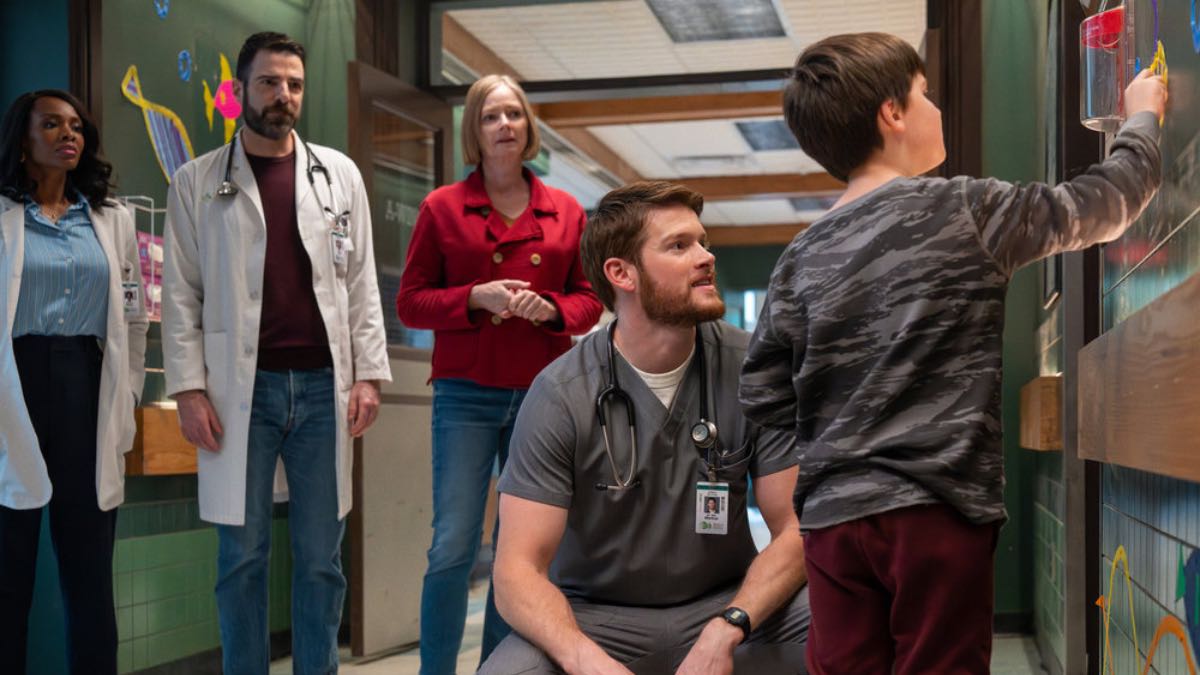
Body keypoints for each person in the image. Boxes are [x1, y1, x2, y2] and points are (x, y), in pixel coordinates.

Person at [739, 32, 1168, 675]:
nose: (935, 107)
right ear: (892, 113)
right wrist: (1143, 115)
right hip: (935, 508)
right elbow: (1106, 204)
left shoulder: (798, 258)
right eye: (925, 93)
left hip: (831, 522)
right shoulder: (965, 209)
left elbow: (763, 396)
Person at [480, 181, 810, 675]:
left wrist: (730, 624)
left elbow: (796, 528)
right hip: (597, 619)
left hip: (726, 605)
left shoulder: (750, 368)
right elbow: (515, 571)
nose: (706, 257)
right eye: (679, 246)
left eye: (702, 242)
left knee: (852, 619)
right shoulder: (560, 394)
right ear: (622, 274)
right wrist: (586, 660)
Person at [162, 32, 391, 674]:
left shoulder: (338, 175)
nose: (282, 95)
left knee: (321, 560)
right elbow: (180, 294)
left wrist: (369, 376)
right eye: (268, 82)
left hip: (323, 387)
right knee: (242, 557)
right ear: (240, 90)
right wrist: (188, 389)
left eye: (293, 84)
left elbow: (360, 283)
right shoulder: (196, 181)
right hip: (242, 391)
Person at [396, 74, 602, 672]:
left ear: (528, 126)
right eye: (490, 116)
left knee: (521, 552)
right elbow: (410, 303)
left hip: (543, 394)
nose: (504, 125)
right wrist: (474, 297)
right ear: (475, 130)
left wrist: (552, 309)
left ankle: (498, 666)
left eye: (513, 114)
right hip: (465, 394)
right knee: (452, 545)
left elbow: (590, 301)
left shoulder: (565, 210)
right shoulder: (441, 207)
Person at [0, 89, 148, 674]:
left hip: (87, 389)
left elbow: (133, 318)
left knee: (89, 572)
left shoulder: (112, 219)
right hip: (12, 388)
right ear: (23, 139)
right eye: (52, 125)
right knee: (8, 571)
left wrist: (127, 395)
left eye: (77, 127)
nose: (69, 135)